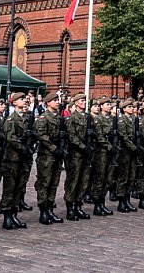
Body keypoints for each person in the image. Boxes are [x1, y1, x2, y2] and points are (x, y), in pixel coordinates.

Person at [34, 91, 64, 225]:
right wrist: (54, 148)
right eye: (54, 100)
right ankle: (43, 211)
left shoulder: (59, 118)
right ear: (47, 103)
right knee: (44, 183)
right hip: (46, 156)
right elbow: (42, 136)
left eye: (58, 100)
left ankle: (50, 209)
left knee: (54, 183)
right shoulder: (43, 118)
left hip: (57, 155)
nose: (57, 102)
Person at [1, 92, 29, 229]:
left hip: (22, 158)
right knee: (9, 188)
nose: (24, 101)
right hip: (12, 158)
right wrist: (23, 147)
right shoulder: (11, 119)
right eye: (21, 99)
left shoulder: (25, 119)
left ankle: (14, 214)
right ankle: (7, 217)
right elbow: (10, 138)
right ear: (14, 102)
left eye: (24, 99)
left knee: (19, 187)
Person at [62, 93, 90, 221]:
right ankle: (70, 208)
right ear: (76, 103)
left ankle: (78, 206)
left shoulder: (87, 117)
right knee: (73, 181)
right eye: (82, 101)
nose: (84, 102)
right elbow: (71, 136)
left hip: (85, 155)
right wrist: (83, 147)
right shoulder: (71, 118)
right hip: (75, 155)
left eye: (85, 100)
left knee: (83, 181)